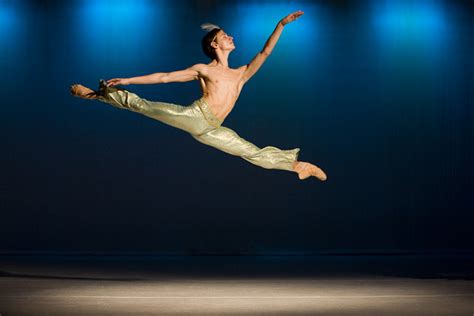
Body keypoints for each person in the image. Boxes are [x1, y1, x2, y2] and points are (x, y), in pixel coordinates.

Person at [70, 10, 327, 181]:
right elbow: (164, 77)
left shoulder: (242, 74)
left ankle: (296, 166)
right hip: (194, 116)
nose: (230, 36)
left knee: (250, 151)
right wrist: (127, 79)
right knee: (144, 106)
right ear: (215, 44)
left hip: (213, 129)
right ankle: (96, 95)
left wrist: (281, 25)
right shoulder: (202, 69)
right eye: (224, 35)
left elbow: (265, 52)